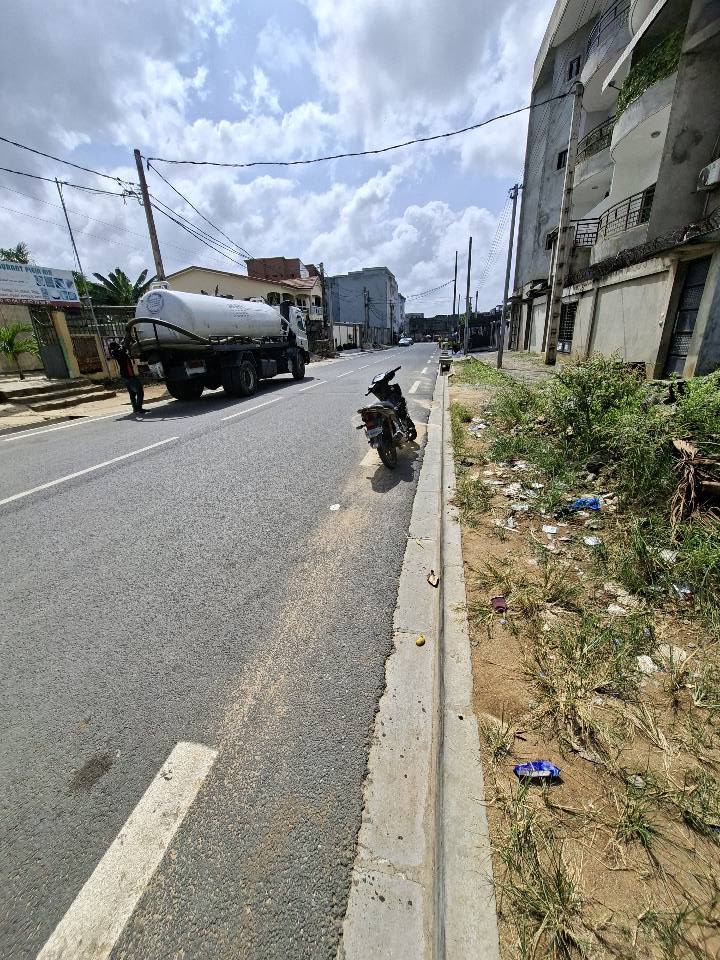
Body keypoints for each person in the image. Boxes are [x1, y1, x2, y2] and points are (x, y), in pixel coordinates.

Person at [108, 340, 146, 416]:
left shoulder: (115, 352)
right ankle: (139, 408)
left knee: (132, 393)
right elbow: (124, 347)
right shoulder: (119, 352)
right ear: (115, 346)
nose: (119, 345)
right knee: (139, 391)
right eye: (117, 345)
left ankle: (135, 408)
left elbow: (124, 348)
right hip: (129, 375)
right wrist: (125, 341)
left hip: (125, 376)